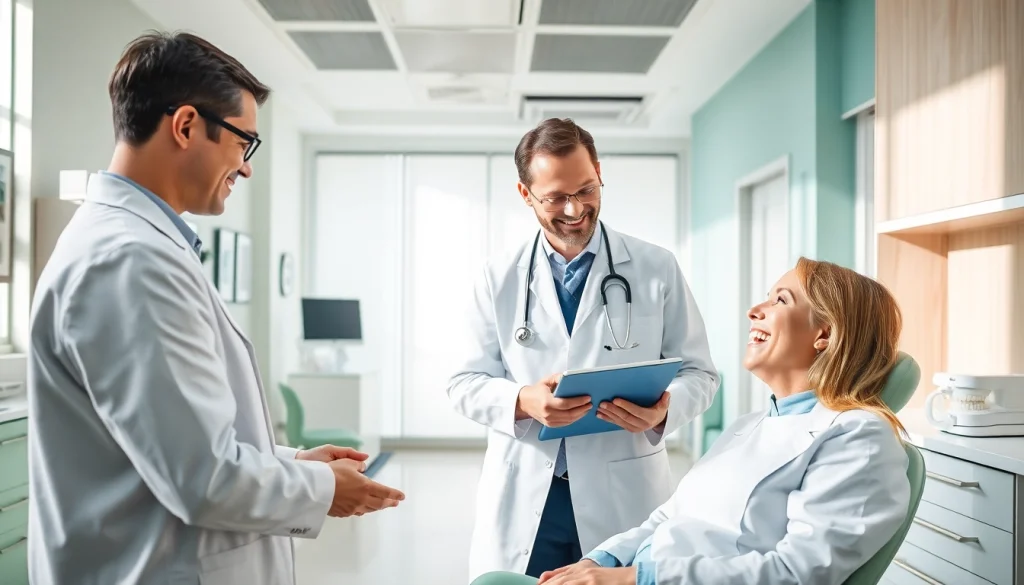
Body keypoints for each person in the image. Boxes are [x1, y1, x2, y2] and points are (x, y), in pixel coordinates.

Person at [26, 32, 404, 585]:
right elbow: (200, 477)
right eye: (242, 143)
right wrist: (323, 491)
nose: (246, 167)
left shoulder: (137, 244)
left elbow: (175, 438)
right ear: (185, 126)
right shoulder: (131, 260)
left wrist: (291, 463)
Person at [484, 257, 910, 585]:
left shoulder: (860, 437)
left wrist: (636, 577)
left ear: (825, 335)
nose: (754, 310)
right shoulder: (752, 423)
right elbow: (669, 516)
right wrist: (601, 561)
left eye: (781, 300)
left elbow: (796, 573)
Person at [447, 118, 720, 581]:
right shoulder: (498, 276)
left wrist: (666, 409)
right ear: (525, 193)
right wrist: (522, 400)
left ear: (598, 171)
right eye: (555, 197)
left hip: (625, 492)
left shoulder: (656, 267)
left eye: (586, 189)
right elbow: (462, 383)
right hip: (530, 491)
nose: (575, 209)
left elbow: (700, 373)